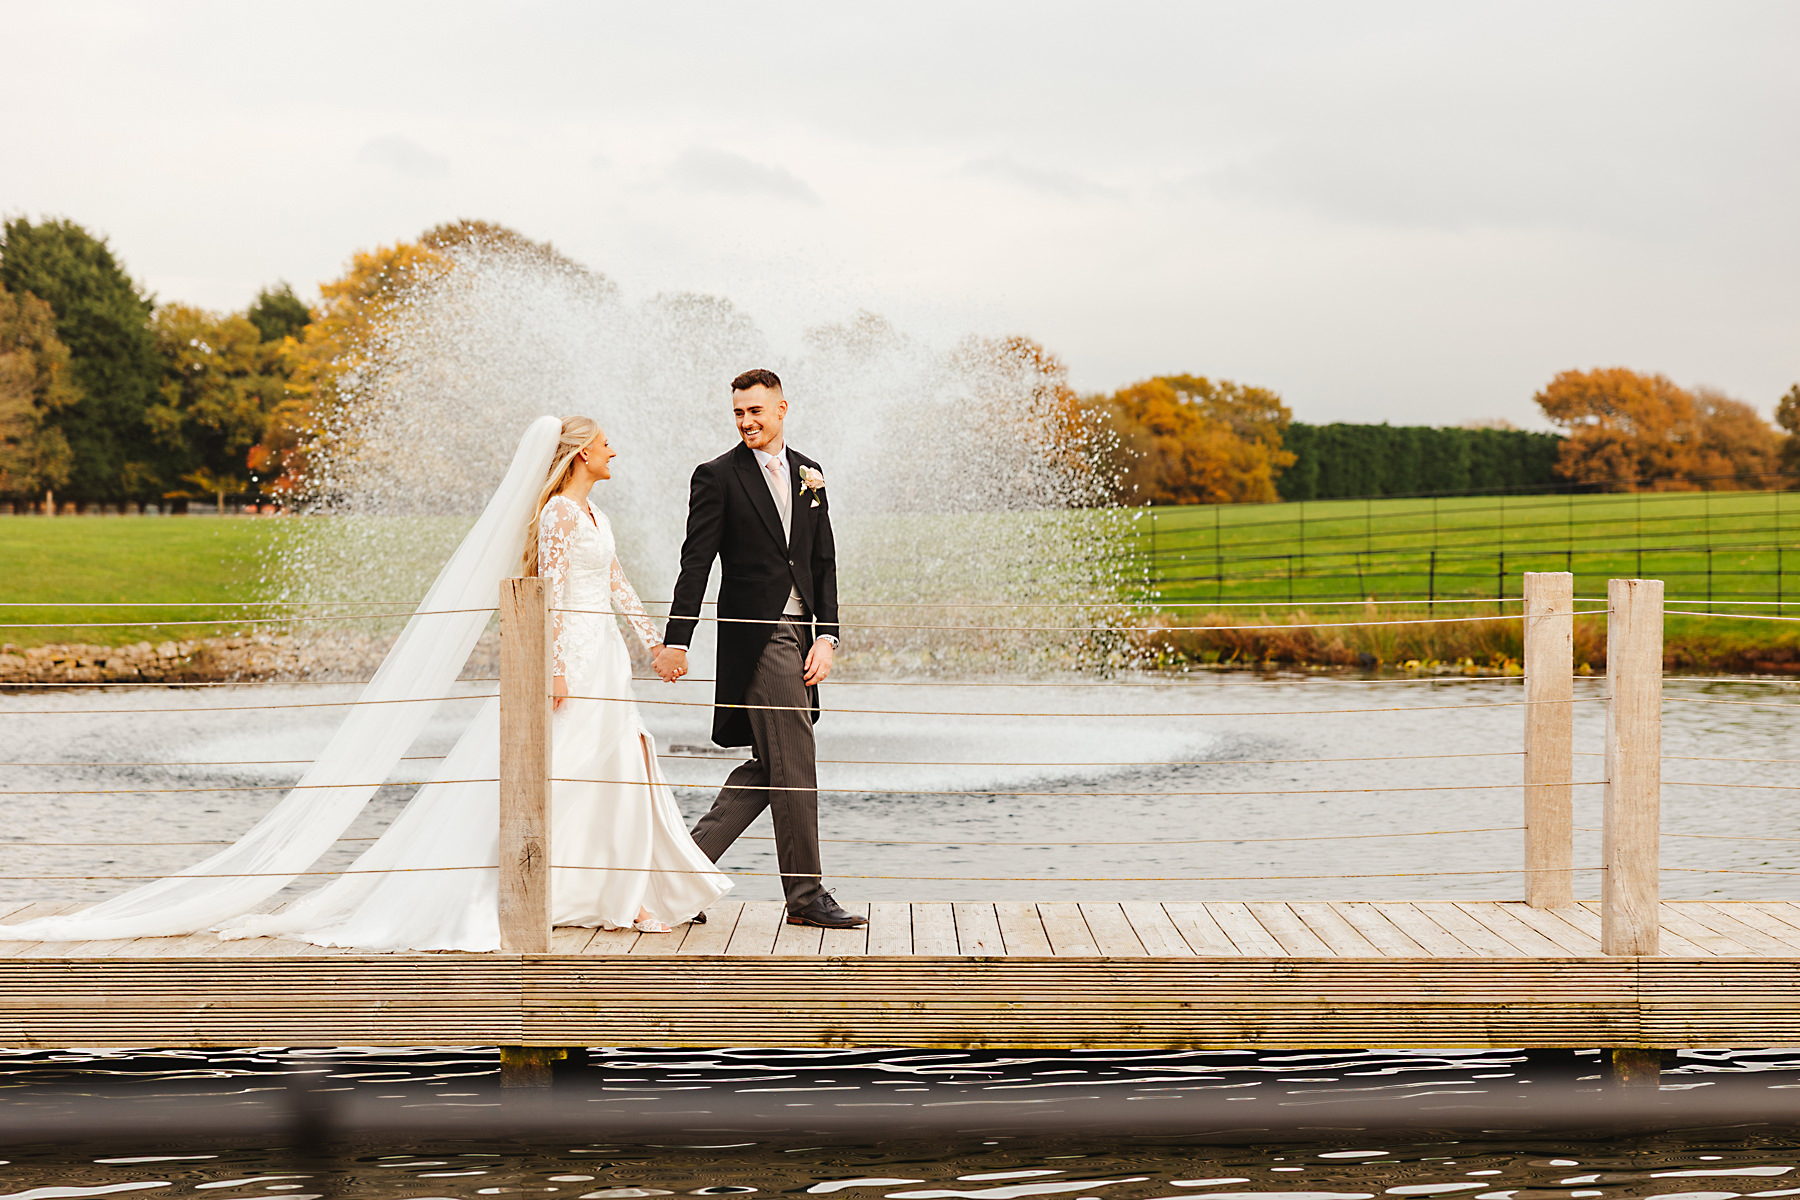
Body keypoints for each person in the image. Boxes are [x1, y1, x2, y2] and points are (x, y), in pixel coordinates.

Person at [0, 414, 729, 950]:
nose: (614, 451)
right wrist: (554, 666)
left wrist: (656, 641)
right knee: (571, 769)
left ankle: (617, 888)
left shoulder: (595, 512)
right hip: (570, 660)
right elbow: (541, 586)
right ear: (576, 455)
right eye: (604, 444)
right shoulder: (559, 516)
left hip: (605, 656)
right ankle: (573, 889)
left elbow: (617, 583)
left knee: (619, 763)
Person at [654, 369, 867, 930]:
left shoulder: (809, 473)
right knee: (794, 764)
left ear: (781, 409)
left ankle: (678, 877)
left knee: (771, 767)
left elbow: (823, 561)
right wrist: (677, 639)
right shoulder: (717, 477)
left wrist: (827, 633)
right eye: (738, 414)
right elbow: (695, 562)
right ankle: (805, 897)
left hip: (801, 635)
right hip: (759, 636)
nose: (746, 422)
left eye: (755, 411)